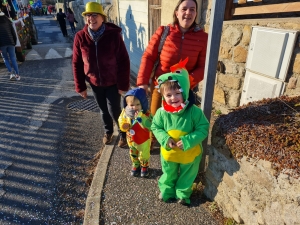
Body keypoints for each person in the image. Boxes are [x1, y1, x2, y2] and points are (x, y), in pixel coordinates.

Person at [151, 58, 209, 205]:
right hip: (169, 154)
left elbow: (203, 128)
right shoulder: (161, 112)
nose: (173, 98)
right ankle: (167, 191)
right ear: (163, 96)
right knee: (168, 174)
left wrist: (188, 140)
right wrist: (164, 139)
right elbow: (156, 127)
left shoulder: (194, 112)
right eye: (168, 95)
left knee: (187, 175)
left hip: (189, 153)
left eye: (177, 93)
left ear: (185, 91)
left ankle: (183, 194)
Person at [72, 2, 130, 147]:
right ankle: (108, 131)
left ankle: (123, 133)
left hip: (113, 81)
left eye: (94, 15)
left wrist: (123, 85)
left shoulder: (113, 36)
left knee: (114, 109)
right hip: (95, 82)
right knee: (103, 110)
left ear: (102, 18)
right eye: (88, 15)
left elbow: (124, 61)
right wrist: (80, 86)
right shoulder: (80, 37)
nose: (91, 18)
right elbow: (77, 63)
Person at [137, 0, 208, 116]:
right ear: (177, 13)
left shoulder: (203, 38)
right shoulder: (163, 32)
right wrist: (142, 83)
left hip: (183, 92)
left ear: (196, 14)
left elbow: (204, 66)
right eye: (184, 9)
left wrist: (185, 82)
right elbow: (148, 57)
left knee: (180, 128)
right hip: (160, 89)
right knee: (156, 124)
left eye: (192, 9)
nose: (188, 12)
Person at [118, 88, 152, 177]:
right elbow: (121, 119)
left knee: (144, 153)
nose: (135, 107)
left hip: (143, 139)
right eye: (132, 105)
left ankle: (144, 166)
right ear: (127, 104)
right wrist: (123, 125)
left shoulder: (146, 114)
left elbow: (150, 125)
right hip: (131, 139)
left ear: (143, 104)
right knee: (133, 152)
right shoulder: (125, 112)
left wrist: (141, 119)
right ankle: (135, 164)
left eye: (138, 104)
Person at [0, 9, 21, 81]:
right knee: (13, 58)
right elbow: (13, 33)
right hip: (11, 42)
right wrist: (14, 42)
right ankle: (17, 75)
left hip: (2, 44)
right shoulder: (8, 21)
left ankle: (11, 73)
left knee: (6, 58)